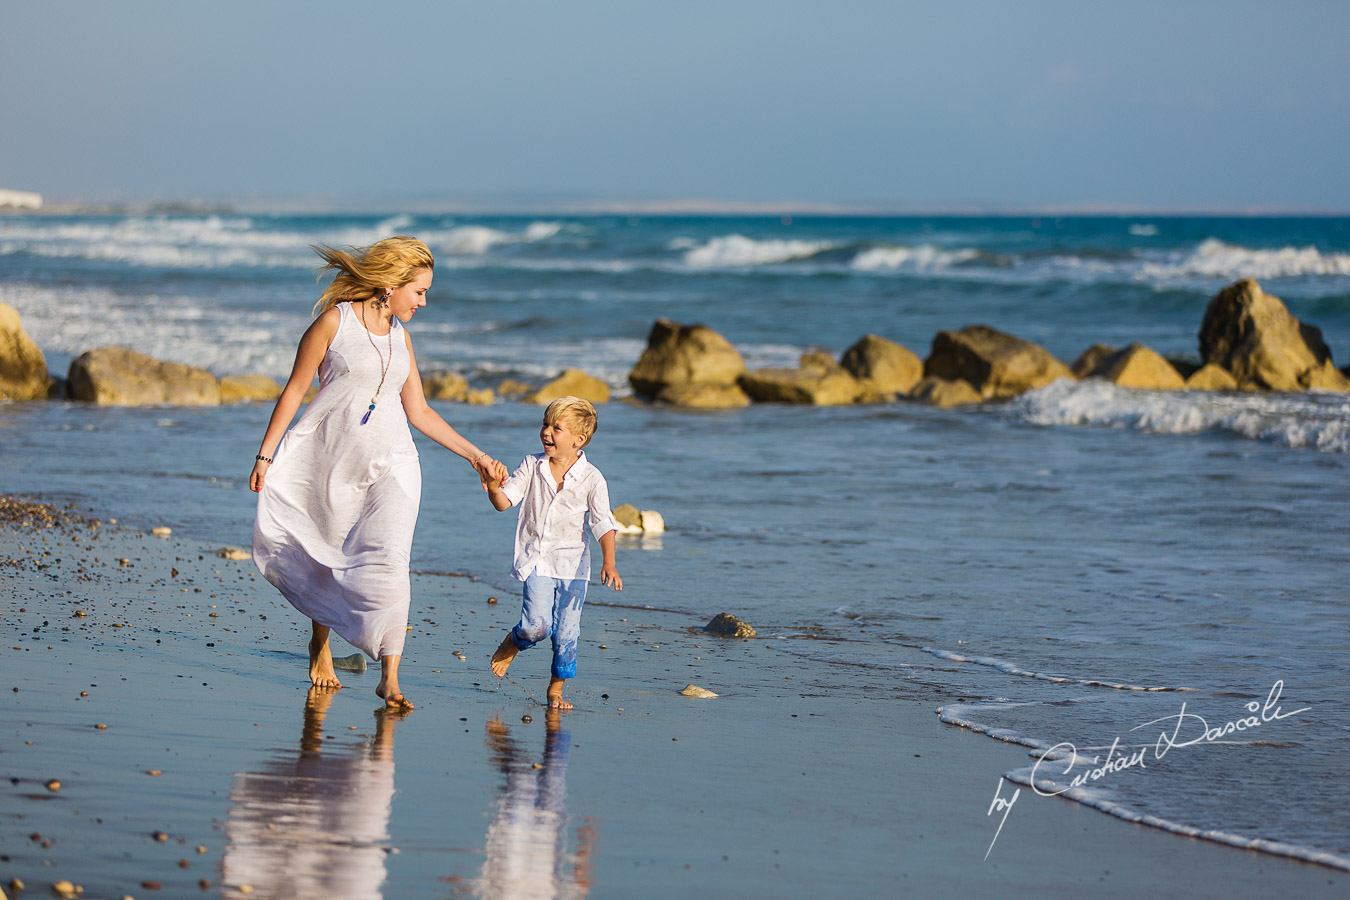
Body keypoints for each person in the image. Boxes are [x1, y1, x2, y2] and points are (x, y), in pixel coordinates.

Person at [250, 235, 506, 709]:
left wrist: (476, 456)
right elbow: (294, 391)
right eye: (420, 291)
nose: (424, 302)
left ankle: (390, 676)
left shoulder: (402, 336)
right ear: (390, 283)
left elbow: (420, 412)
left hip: (395, 463)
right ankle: (320, 644)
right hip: (334, 460)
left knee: (390, 558)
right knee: (328, 557)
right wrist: (266, 455)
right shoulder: (334, 323)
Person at [486, 397, 622, 709]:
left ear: (579, 439)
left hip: (574, 568)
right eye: (545, 425)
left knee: (566, 634)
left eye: (556, 428)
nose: (546, 432)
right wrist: (494, 488)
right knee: (536, 627)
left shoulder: (592, 478)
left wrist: (610, 562)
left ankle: (556, 690)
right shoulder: (531, 466)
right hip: (536, 560)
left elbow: (603, 522)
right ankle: (514, 642)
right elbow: (505, 502)